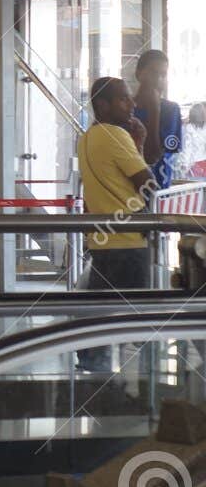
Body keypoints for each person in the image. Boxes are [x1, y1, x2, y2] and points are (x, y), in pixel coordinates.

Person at [76, 77, 158, 370]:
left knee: (101, 321)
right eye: (124, 99)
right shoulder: (115, 135)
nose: (132, 103)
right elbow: (149, 184)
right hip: (129, 242)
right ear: (103, 105)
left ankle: (96, 383)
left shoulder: (86, 138)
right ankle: (139, 394)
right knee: (140, 329)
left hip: (102, 242)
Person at [131, 49, 182, 196]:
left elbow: (153, 156)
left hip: (157, 192)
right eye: (153, 73)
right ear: (139, 74)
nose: (159, 79)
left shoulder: (171, 110)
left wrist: (155, 110)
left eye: (163, 75)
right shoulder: (125, 110)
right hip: (126, 191)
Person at [181, 102, 206, 179]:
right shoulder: (204, 128)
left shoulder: (188, 128)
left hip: (193, 164)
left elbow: (187, 148)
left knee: (194, 188)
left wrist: (184, 165)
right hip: (203, 161)